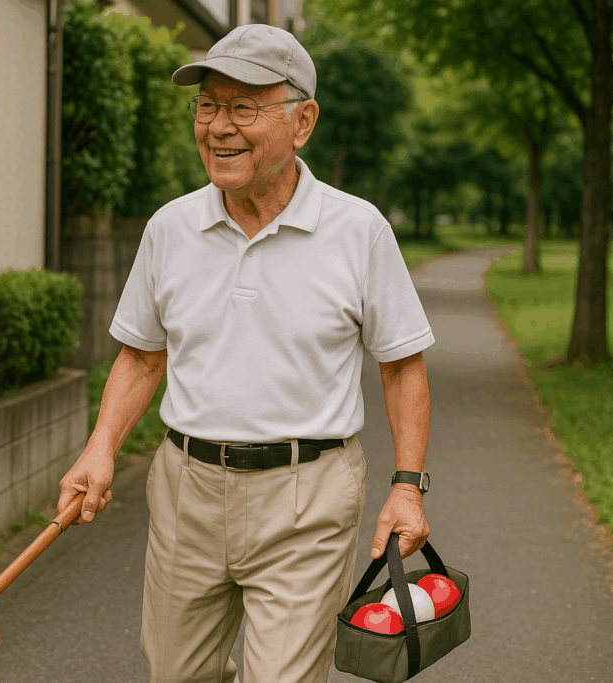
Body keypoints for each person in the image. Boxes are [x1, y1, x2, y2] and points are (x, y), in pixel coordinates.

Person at [58, 23, 434, 683]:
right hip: (186, 487)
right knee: (176, 672)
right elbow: (143, 356)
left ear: (303, 121)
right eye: (209, 106)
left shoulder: (358, 230)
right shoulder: (170, 227)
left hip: (307, 493)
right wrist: (101, 447)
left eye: (244, 107)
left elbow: (401, 363)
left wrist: (407, 486)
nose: (219, 127)